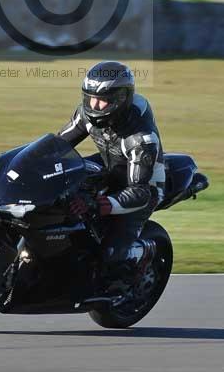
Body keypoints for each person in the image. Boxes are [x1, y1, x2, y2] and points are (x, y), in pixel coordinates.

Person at [59, 60, 165, 282]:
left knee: (109, 258)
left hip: (143, 186)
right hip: (111, 166)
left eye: (103, 101)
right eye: (91, 98)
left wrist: (96, 204)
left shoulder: (140, 139)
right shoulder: (86, 113)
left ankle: (143, 252)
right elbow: (58, 145)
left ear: (120, 99)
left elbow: (140, 192)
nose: (94, 106)